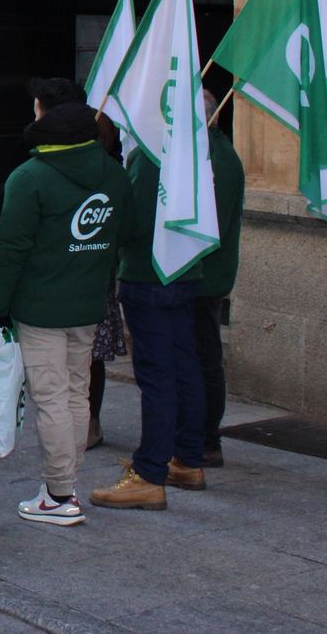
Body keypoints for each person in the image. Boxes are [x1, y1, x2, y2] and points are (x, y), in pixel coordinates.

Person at [0, 85, 130, 526]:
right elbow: (125, 235)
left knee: (50, 397)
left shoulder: (30, 177)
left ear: (42, 113)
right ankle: (66, 484)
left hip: (42, 307)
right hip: (86, 304)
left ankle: (60, 494)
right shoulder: (113, 173)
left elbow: (10, 249)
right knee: (74, 395)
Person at [91, 114, 209, 510]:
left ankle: (150, 473)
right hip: (184, 268)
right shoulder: (191, 150)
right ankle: (188, 458)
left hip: (150, 274)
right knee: (184, 365)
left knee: (158, 375)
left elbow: (132, 223)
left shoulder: (150, 154)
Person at [194, 89, 244, 468]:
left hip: (202, 276)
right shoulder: (207, 154)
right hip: (197, 275)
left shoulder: (217, 159)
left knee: (204, 357)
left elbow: (211, 225)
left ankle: (207, 438)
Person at [87, 112, 127, 448]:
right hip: (97, 274)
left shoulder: (111, 174)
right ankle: (88, 421)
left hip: (95, 273)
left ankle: (89, 422)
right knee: (90, 356)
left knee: (90, 355)